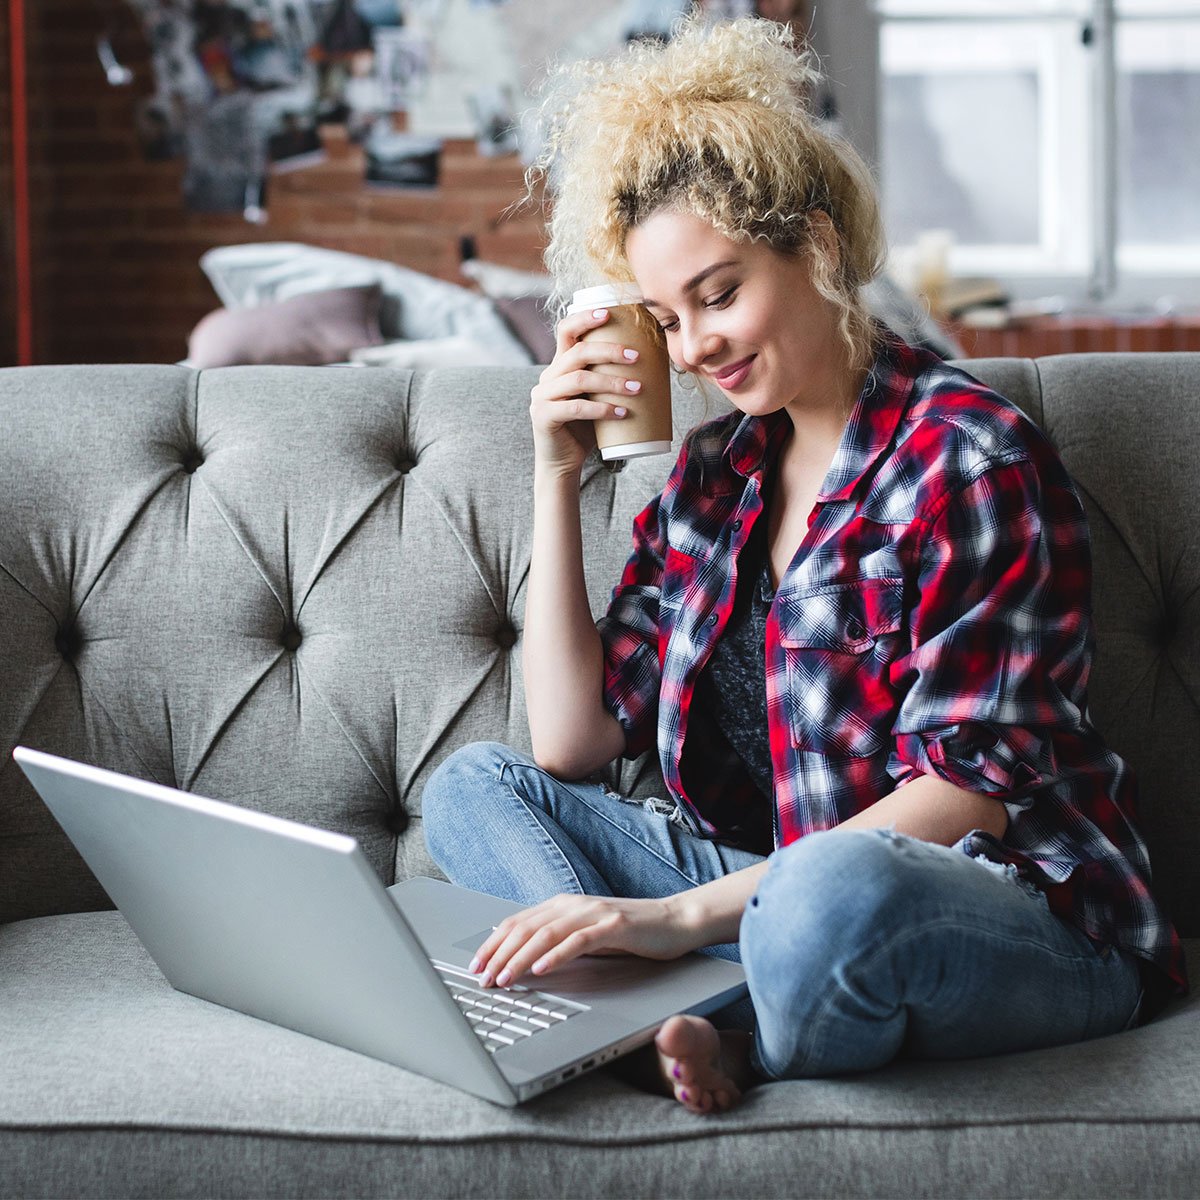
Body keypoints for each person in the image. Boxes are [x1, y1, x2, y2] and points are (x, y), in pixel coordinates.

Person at [421, 14, 1186, 1115]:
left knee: (830, 885)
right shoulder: (713, 477)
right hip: (766, 901)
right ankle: (676, 1020)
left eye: (720, 293)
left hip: (1000, 914)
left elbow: (970, 793)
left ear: (816, 247)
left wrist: (673, 921)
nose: (695, 349)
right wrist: (553, 474)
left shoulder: (971, 458)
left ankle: (681, 1032)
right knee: (475, 788)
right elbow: (571, 743)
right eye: (668, 317)